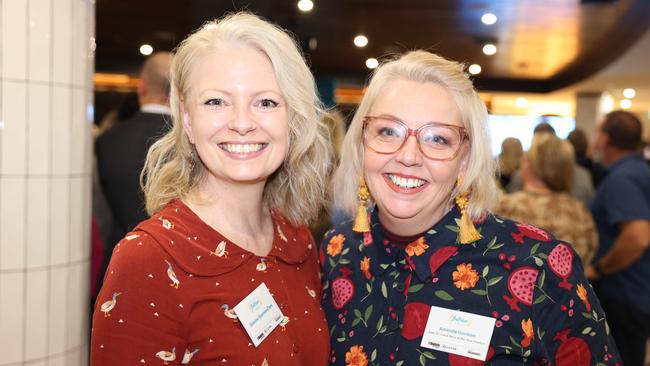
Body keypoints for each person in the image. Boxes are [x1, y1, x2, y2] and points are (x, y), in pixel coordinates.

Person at [321, 50, 620, 365]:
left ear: (465, 160)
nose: (408, 156)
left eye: (438, 139)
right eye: (388, 131)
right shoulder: (337, 251)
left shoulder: (539, 265)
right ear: (362, 143)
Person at [91, 13, 331, 365]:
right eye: (216, 102)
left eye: (266, 102)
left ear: (292, 119)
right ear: (187, 120)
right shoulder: (147, 261)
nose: (243, 123)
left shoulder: (296, 241)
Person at [586, 110, 650, 366]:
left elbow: (638, 237)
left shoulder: (622, 178)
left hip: (624, 293)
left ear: (605, 139)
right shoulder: (637, 170)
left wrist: (600, 268)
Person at [95, 53, 173, 258]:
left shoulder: (108, 139)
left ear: (141, 88)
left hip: (118, 258)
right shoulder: (192, 141)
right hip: (177, 264)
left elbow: (99, 208)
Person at [495, 132, 598, 264]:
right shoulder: (578, 211)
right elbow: (589, 254)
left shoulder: (507, 207)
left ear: (529, 164)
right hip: (566, 283)